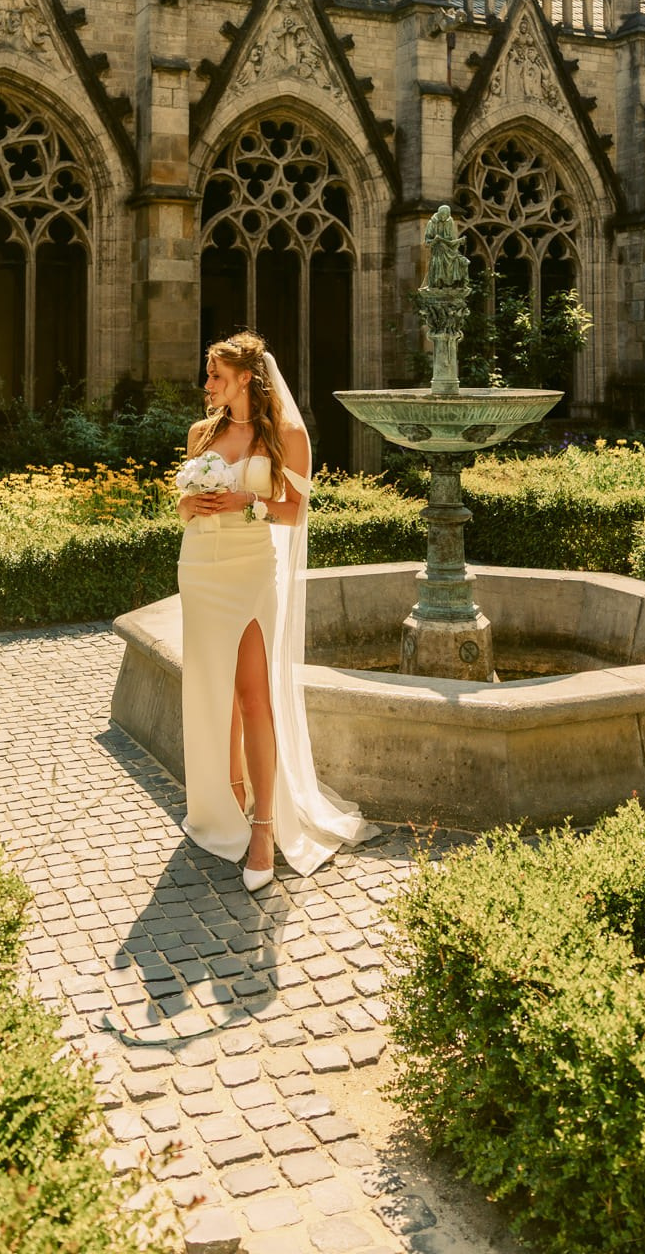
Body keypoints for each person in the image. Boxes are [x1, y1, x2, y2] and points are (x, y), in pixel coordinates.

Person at [177, 331, 374, 890]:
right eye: (208, 374)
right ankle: (226, 801)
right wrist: (194, 502)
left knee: (253, 696)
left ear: (245, 377)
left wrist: (249, 503)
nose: (207, 384)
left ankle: (264, 827)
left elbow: (294, 514)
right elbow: (185, 509)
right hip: (199, 569)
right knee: (213, 693)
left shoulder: (286, 435)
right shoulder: (201, 434)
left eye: (216, 374)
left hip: (249, 572)